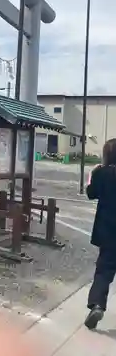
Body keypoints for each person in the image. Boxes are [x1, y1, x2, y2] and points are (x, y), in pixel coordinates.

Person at [85, 137, 116, 330]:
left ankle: (97, 305)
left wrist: (91, 176)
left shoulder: (101, 173)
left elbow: (90, 193)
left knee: (103, 272)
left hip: (108, 233)